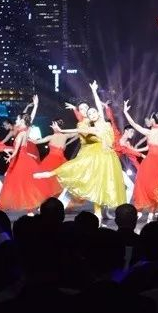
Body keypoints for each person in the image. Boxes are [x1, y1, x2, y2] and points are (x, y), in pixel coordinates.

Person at [35, 81, 127, 221]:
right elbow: (78, 129)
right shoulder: (90, 127)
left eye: (91, 111)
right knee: (90, 182)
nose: (91, 113)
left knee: (103, 186)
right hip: (94, 155)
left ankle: (103, 214)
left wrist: (94, 91)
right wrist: (62, 130)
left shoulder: (102, 122)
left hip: (108, 157)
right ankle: (50, 174)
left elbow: (98, 107)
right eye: (88, 112)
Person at [0, 102, 62, 214]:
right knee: (25, 184)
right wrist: (35, 106)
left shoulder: (22, 133)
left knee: (21, 184)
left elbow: (17, 149)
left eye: (17, 119)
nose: (16, 121)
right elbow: (29, 119)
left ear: (22, 121)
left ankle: (31, 209)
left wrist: (11, 156)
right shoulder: (24, 131)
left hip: (20, 161)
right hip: (24, 159)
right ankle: (31, 209)